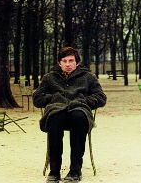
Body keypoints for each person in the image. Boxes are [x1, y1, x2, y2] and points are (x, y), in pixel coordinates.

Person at [33, 47, 107, 183]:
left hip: (79, 111)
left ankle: (75, 171)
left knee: (78, 117)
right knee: (55, 119)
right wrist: (54, 98)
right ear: (59, 63)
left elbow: (101, 97)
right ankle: (54, 171)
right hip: (57, 111)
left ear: (77, 62)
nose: (68, 64)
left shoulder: (88, 77)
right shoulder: (49, 78)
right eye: (64, 61)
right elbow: (37, 99)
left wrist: (84, 100)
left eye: (71, 61)